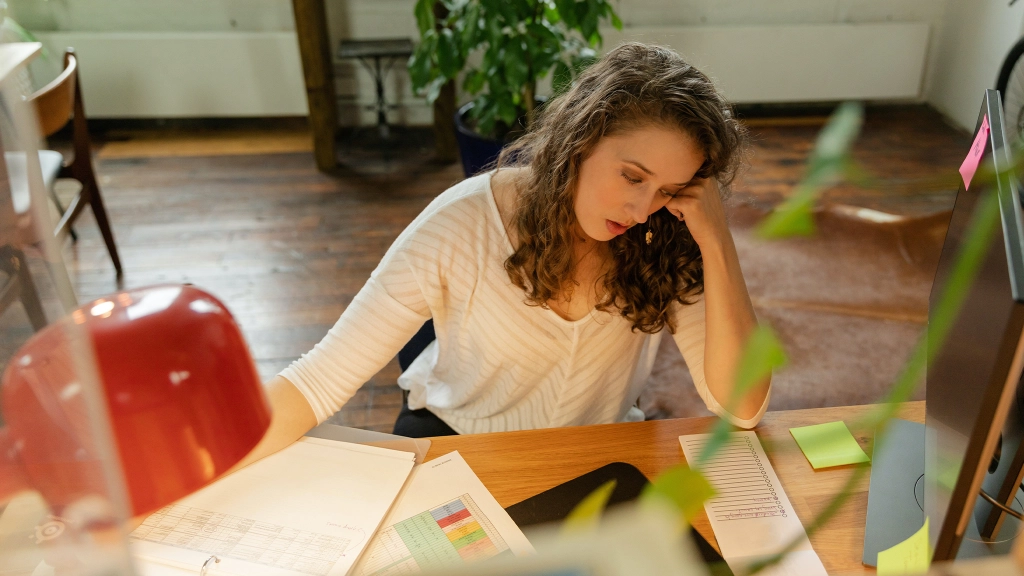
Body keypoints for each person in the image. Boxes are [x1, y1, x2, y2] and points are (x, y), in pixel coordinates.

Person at [240, 42, 770, 464]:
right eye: (632, 176)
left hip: (595, 455)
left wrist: (717, 241)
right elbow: (317, 380)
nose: (641, 208)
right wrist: (195, 472)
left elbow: (741, 408)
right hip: (457, 439)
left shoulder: (664, 234)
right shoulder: (461, 222)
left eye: (667, 190)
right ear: (581, 139)